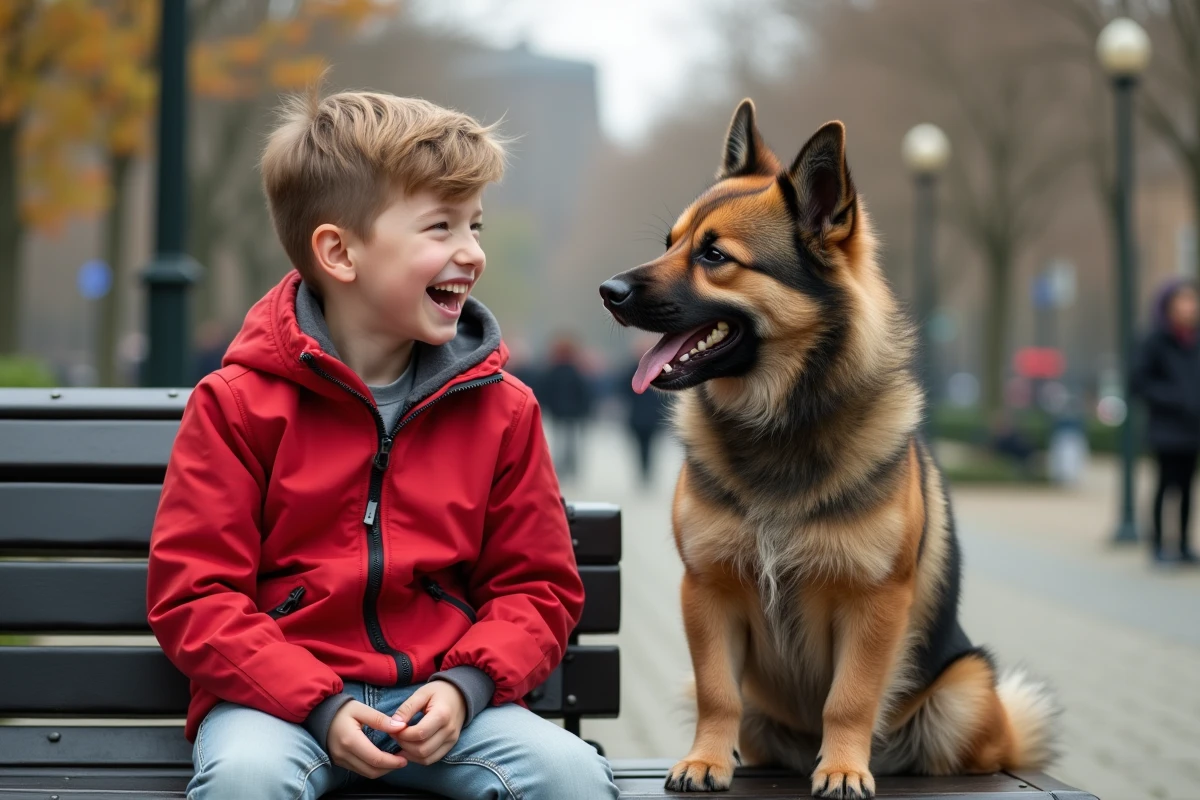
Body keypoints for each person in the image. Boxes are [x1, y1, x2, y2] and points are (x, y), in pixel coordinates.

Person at [146, 90, 618, 800]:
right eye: (440, 227)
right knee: (245, 779)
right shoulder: (238, 405)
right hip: (280, 705)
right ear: (339, 252)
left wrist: (467, 685)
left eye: (475, 225)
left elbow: (537, 586)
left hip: (446, 703)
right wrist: (317, 701)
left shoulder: (503, 409)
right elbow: (198, 595)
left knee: (571, 776)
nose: (472, 252)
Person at [1132, 278, 1200, 564]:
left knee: (1187, 487)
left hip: (1193, 427)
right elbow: (1139, 383)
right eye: (1183, 301)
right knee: (1165, 485)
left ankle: (1183, 545)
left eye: (1193, 300)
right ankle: (1158, 544)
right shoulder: (1156, 341)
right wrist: (1176, 398)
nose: (1189, 307)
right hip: (1166, 427)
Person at [539, 333, 593, 480]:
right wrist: (585, 410)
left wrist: (547, 407)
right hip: (574, 412)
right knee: (572, 441)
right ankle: (572, 467)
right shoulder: (576, 371)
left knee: (559, 440)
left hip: (557, 412)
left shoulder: (551, 371)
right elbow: (584, 392)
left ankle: (560, 468)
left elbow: (545, 392)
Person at [622, 334, 671, 485]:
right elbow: (624, 390)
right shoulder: (631, 370)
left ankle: (647, 471)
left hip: (650, 415)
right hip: (639, 416)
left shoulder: (658, 369)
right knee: (641, 446)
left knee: (649, 446)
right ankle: (644, 470)